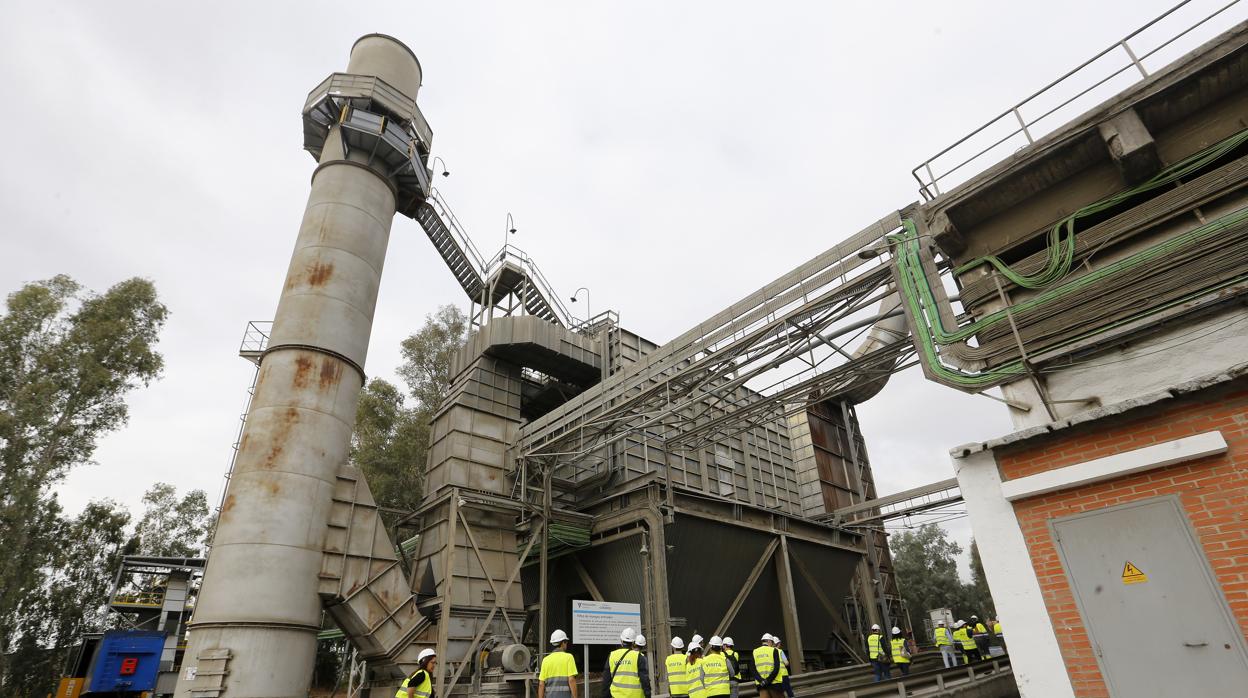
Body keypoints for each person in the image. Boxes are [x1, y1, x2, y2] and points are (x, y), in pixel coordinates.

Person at [604, 628, 650, 697]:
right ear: (634, 642)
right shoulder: (639, 656)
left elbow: (606, 680)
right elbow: (645, 680)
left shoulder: (612, 655)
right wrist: (648, 695)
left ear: (621, 641)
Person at [538, 630, 579, 698]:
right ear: (563, 643)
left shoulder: (545, 660)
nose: (566, 644)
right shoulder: (568, 657)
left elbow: (541, 684)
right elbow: (571, 680)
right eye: (566, 642)